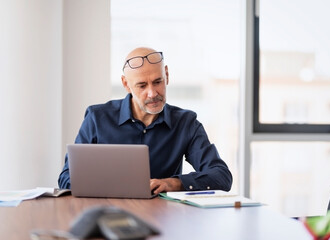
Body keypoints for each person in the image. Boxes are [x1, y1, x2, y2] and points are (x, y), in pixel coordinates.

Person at [58, 47, 232, 194]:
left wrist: (172, 183)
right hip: (107, 213)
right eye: (142, 86)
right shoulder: (97, 118)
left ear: (167, 75)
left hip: (164, 220)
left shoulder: (186, 123)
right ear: (126, 84)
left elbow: (222, 177)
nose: (152, 93)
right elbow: (67, 178)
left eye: (158, 82)